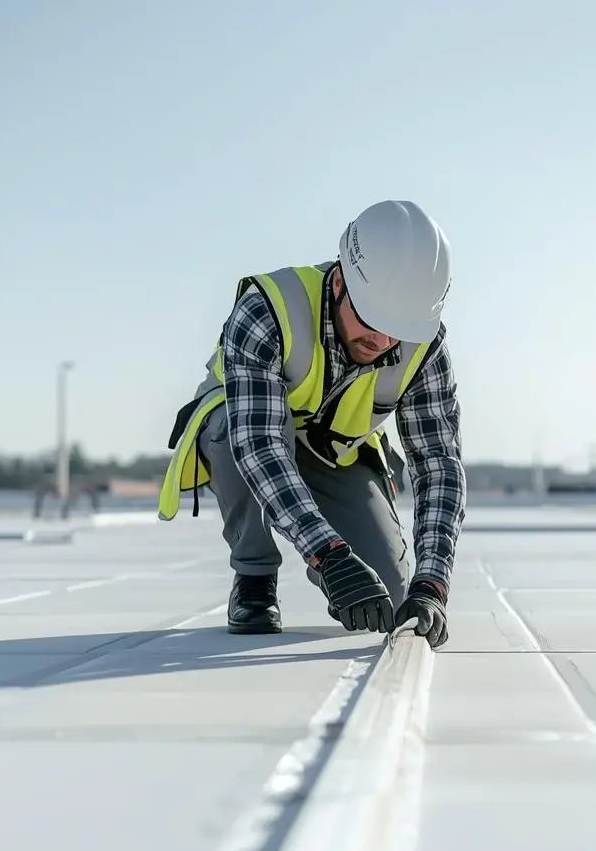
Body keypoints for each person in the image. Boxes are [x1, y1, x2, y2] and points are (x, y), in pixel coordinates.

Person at [157, 200, 465, 649]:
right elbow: (260, 445)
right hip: (247, 436)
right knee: (229, 426)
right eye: (371, 320)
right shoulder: (268, 310)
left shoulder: (423, 346)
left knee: (392, 595)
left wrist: (432, 585)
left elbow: (439, 464)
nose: (380, 341)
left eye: (395, 329)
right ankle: (254, 578)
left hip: (333, 454)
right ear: (340, 281)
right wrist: (329, 556)